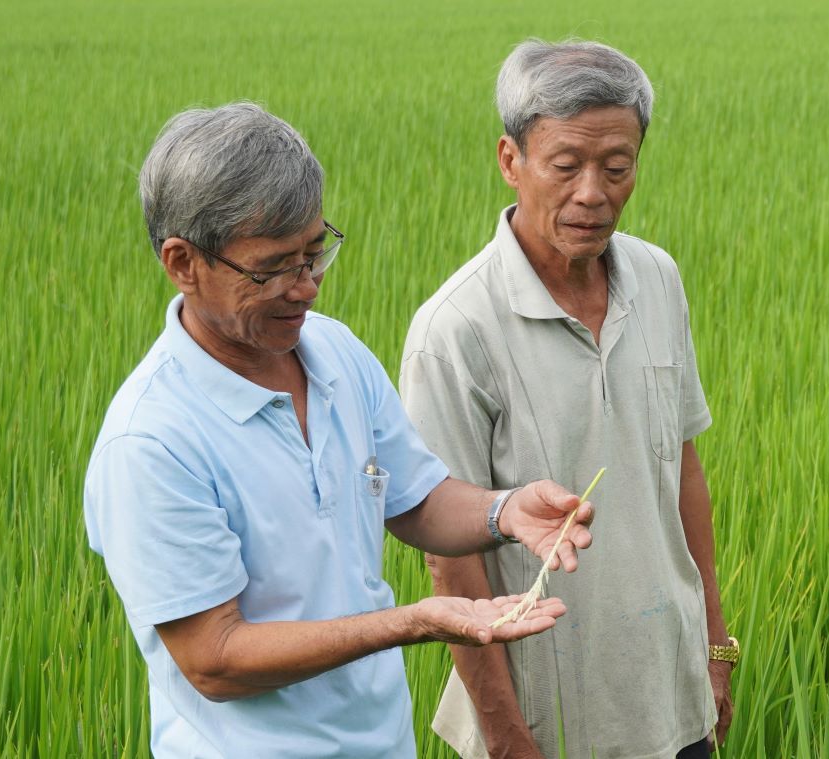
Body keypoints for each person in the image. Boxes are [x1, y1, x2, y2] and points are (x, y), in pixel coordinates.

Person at [82, 102, 595, 758]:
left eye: (315, 252)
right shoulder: (152, 442)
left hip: (381, 742)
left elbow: (414, 496)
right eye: (272, 267)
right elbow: (214, 658)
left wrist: (505, 509)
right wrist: (411, 622)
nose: (307, 288)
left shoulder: (333, 352)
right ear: (183, 262)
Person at [400, 40, 736, 758]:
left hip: (672, 695)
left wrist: (714, 646)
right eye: (565, 166)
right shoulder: (455, 329)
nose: (592, 192)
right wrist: (506, 736)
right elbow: (448, 556)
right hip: (549, 718)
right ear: (509, 160)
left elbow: (680, 467)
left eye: (616, 168)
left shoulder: (656, 278)